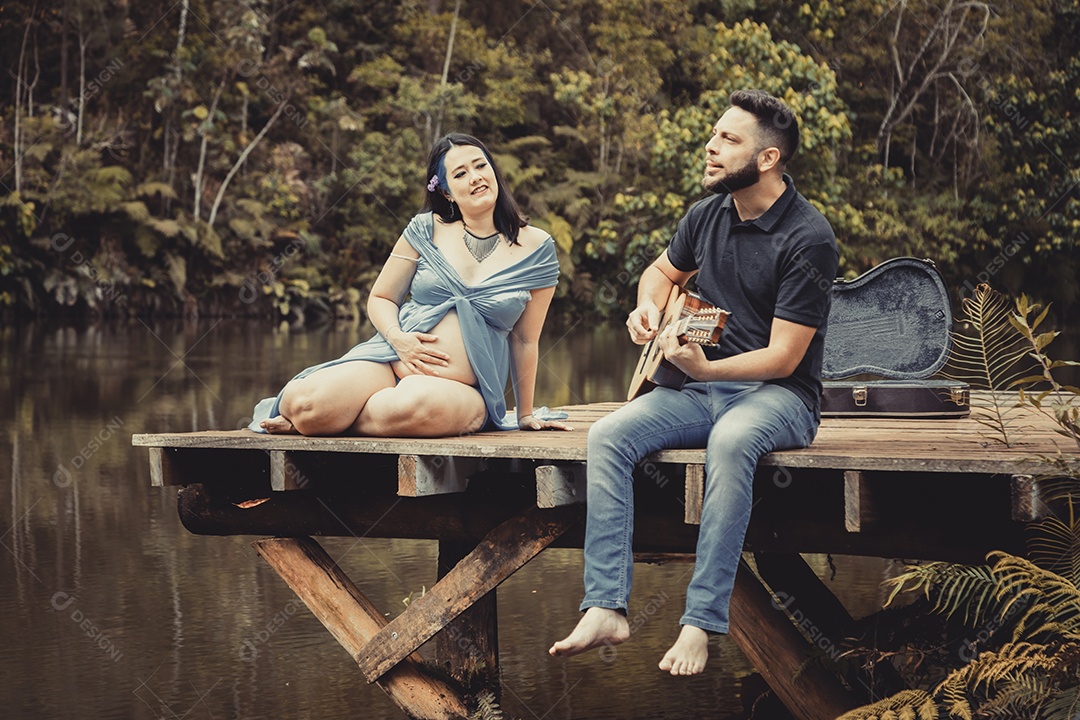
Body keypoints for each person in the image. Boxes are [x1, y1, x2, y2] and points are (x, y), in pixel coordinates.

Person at [549, 89, 838, 675]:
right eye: (714, 134)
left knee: (732, 440)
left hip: (781, 398)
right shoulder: (706, 215)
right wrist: (649, 310)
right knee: (608, 435)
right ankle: (606, 605)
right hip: (699, 390)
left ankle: (701, 623)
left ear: (768, 158)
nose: (711, 146)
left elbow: (784, 358)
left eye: (729, 139)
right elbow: (660, 273)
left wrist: (705, 369)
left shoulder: (810, 237)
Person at [250, 133, 571, 437]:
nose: (475, 177)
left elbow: (526, 340)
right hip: (389, 361)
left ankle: (333, 419)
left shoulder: (536, 248)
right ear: (446, 192)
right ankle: (321, 416)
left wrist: (525, 414)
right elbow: (381, 297)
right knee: (304, 403)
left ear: (493, 172)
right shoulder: (424, 230)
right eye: (459, 173)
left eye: (480, 165)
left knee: (409, 405)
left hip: (464, 389)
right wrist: (398, 339)